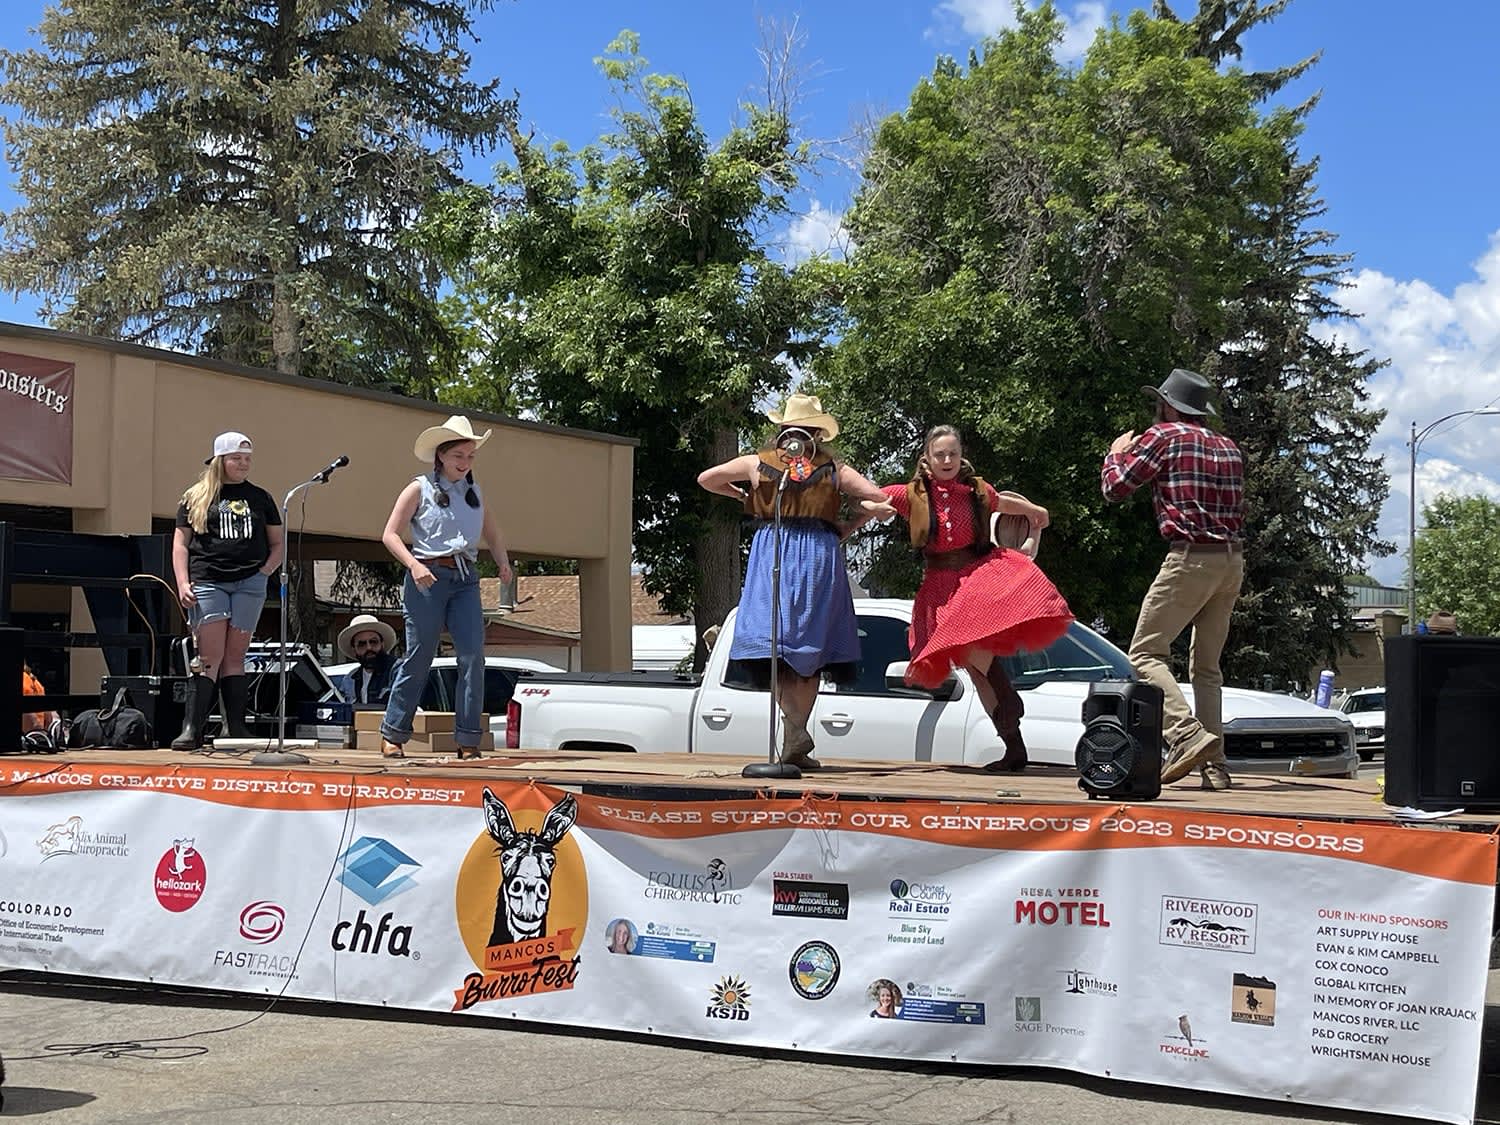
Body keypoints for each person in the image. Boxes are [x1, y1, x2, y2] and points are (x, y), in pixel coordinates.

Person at [861, 425, 1073, 772]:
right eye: (940, 454)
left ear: (962, 457)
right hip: (938, 583)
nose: (947, 460)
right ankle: (1013, 742)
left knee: (976, 652)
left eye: (953, 454)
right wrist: (871, 507)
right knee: (975, 670)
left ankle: (1008, 705)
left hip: (976, 574)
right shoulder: (910, 493)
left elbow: (1004, 502)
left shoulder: (976, 490)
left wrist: (1035, 511)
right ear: (927, 459)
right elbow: (873, 498)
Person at [697, 394, 888, 771]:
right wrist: (849, 523)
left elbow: (708, 479)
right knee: (788, 646)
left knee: (792, 646)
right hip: (812, 552)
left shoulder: (759, 463)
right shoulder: (834, 467)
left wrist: (743, 496)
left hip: (777, 548)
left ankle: (795, 737)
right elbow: (877, 499)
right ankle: (794, 736)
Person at [1101, 368, 1245, 791]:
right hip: (1232, 561)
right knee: (1207, 668)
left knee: (1144, 654)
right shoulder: (1229, 447)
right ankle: (1215, 768)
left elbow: (1115, 488)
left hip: (1190, 558)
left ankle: (1185, 735)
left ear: (1168, 405)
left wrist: (1116, 453)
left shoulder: (1163, 436)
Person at [379, 415, 512, 760]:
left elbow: (493, 533)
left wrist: (503, 562)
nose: (465, 463)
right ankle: (393, 733)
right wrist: (414, 564)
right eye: (459, 456)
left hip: (465, 577)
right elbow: (389, 534)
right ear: (441, 455)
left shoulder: (475, 493)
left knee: (472, 655)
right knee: (420, 654)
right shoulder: (418, 488)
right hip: (428, 576)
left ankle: (468, 740)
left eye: (470, 457)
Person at [171, 431, 284, 749]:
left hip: (250, 583)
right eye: (236, 458)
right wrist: (182, 581)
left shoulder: (261, 497)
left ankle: (235, 728)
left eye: (247, 458)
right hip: (208, 580)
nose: (243, 464)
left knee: (236, 656)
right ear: (220, 460)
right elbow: (181, 543)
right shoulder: (196, 496)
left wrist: (264, 572)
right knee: (209, 656)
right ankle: (192, 728)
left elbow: (277, 543)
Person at [336, 614, 398, 705]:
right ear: (354, 649)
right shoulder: (350, 679)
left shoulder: (398, 672)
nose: (369, 648)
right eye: (362, 644)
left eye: (373, 642)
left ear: (382, 644)